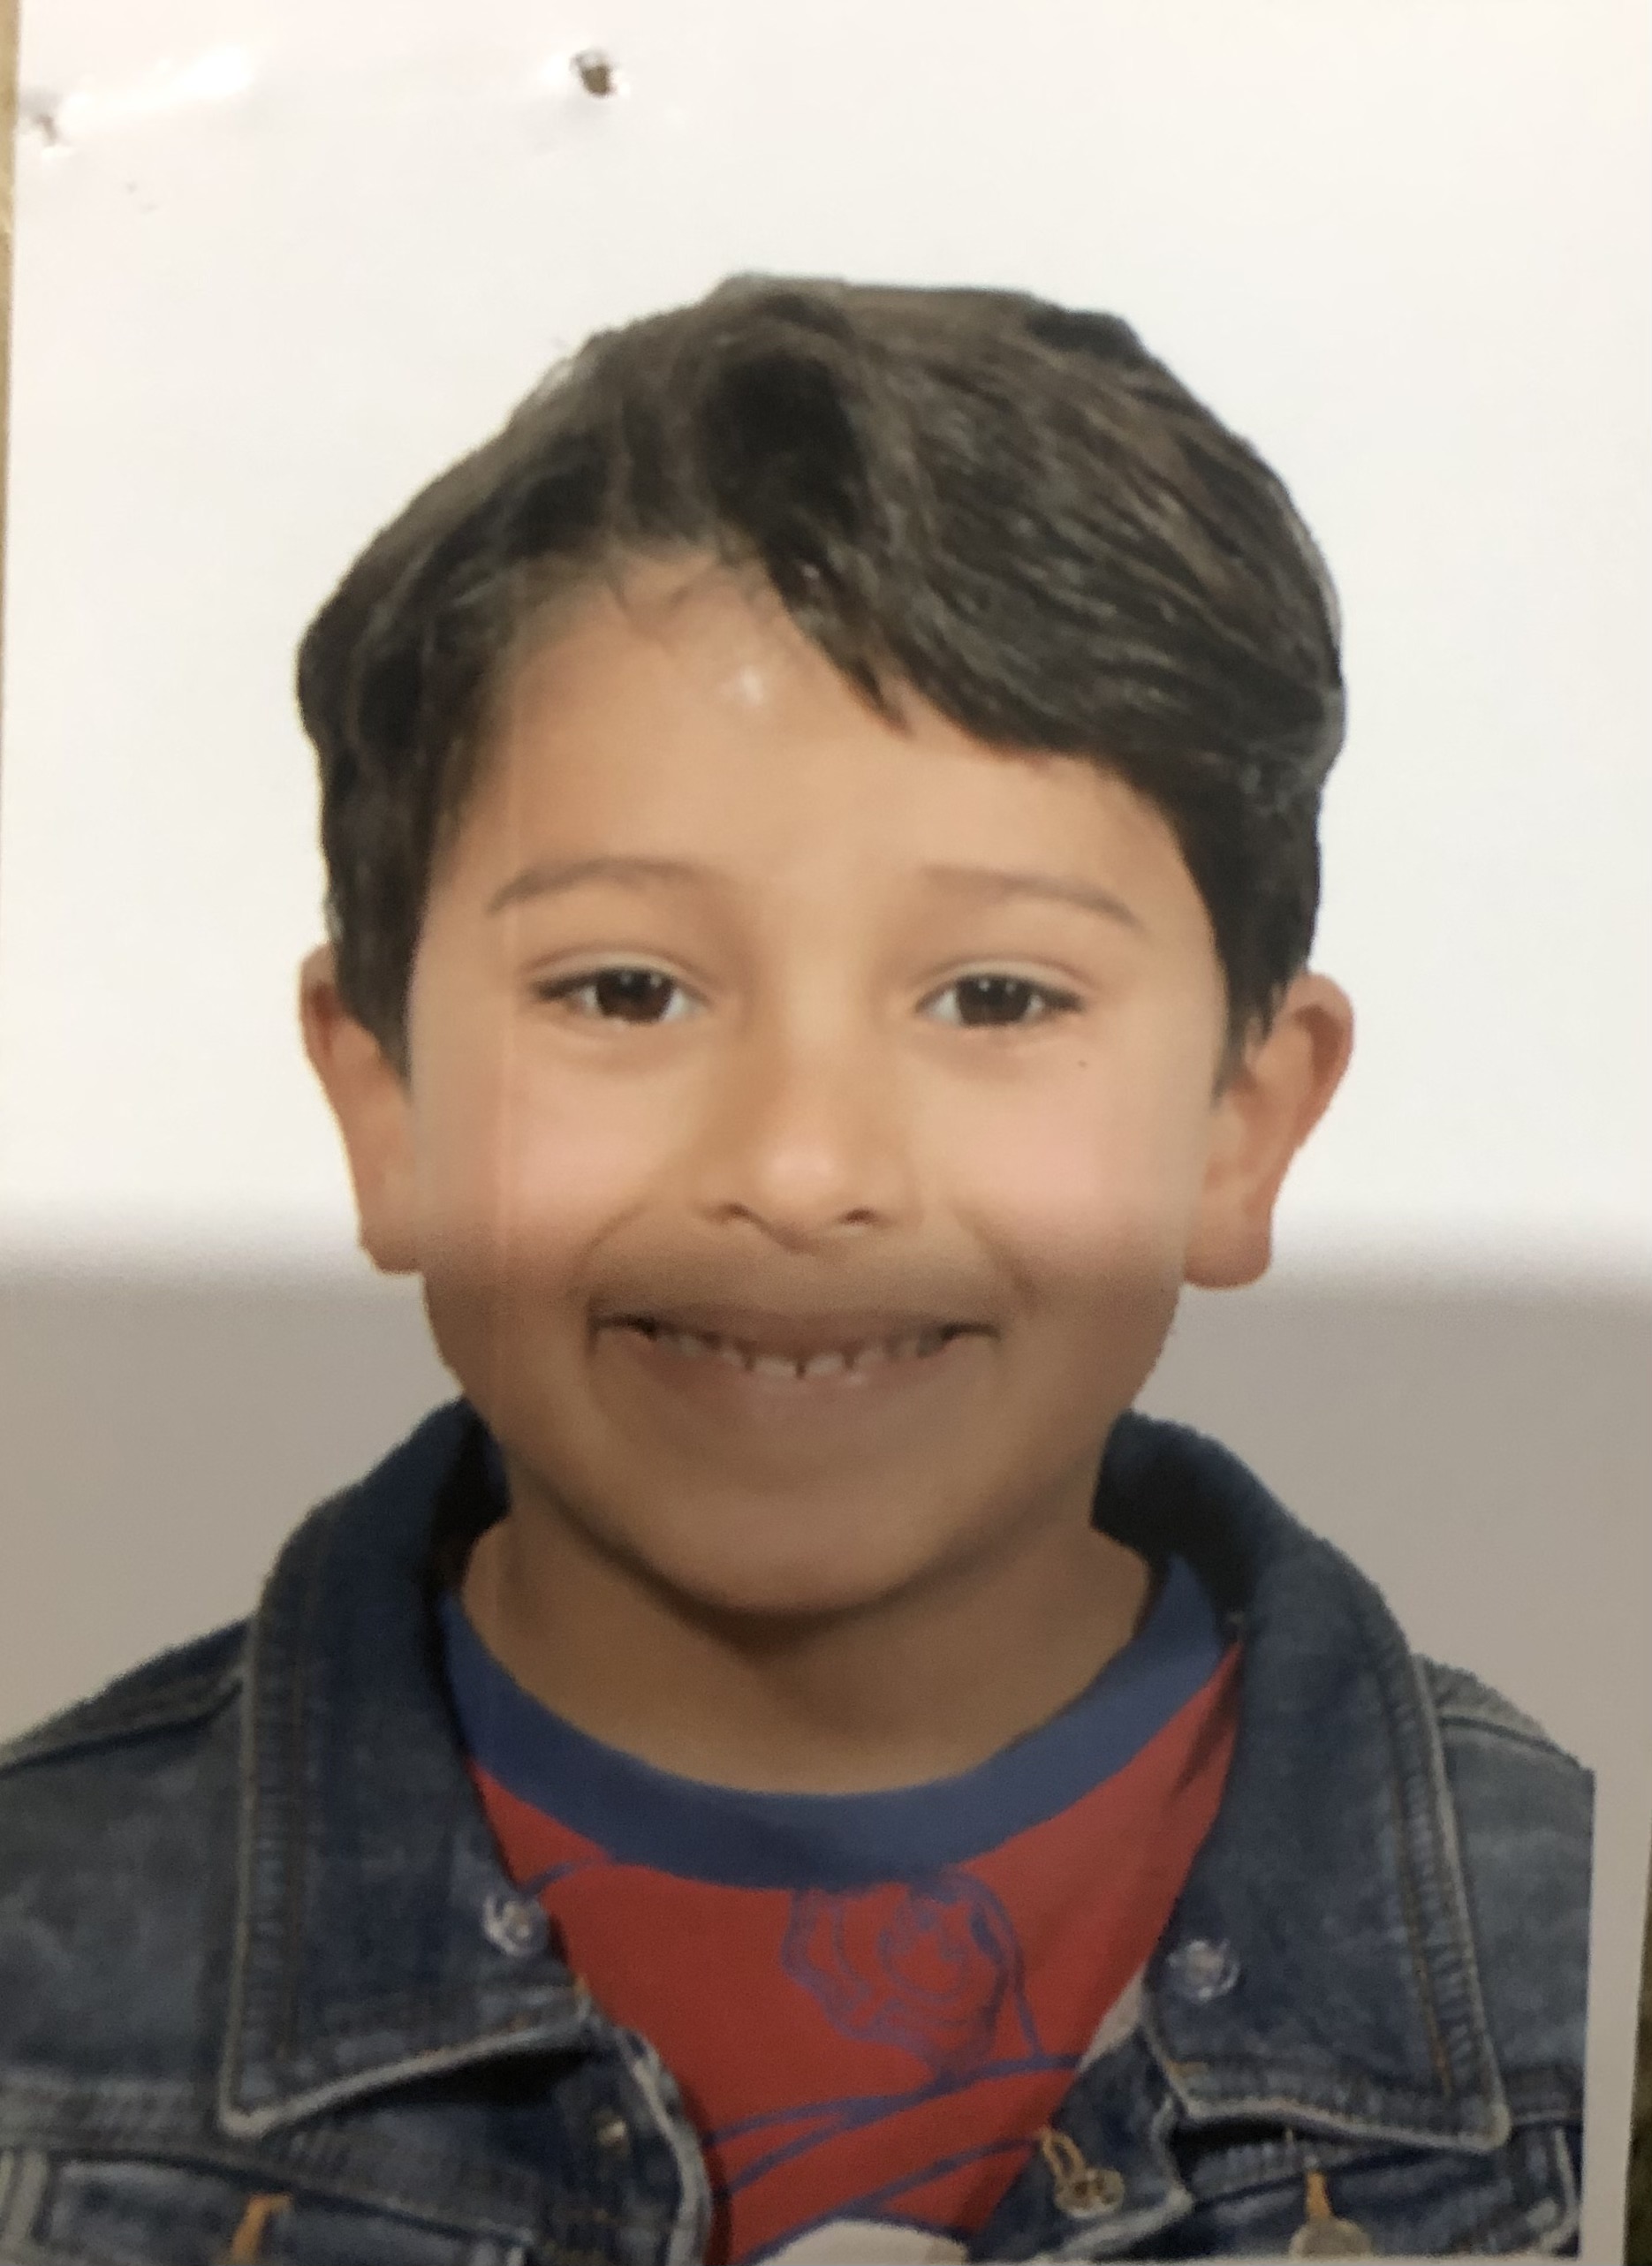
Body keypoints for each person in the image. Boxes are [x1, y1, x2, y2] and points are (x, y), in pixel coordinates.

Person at [0, 277, 1591, 2262]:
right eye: (624, 989)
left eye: (993, 995)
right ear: (382, 1094)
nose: (799, 1166)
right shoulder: (43, 1959)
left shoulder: (1572, 1955)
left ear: (1239, 1122)